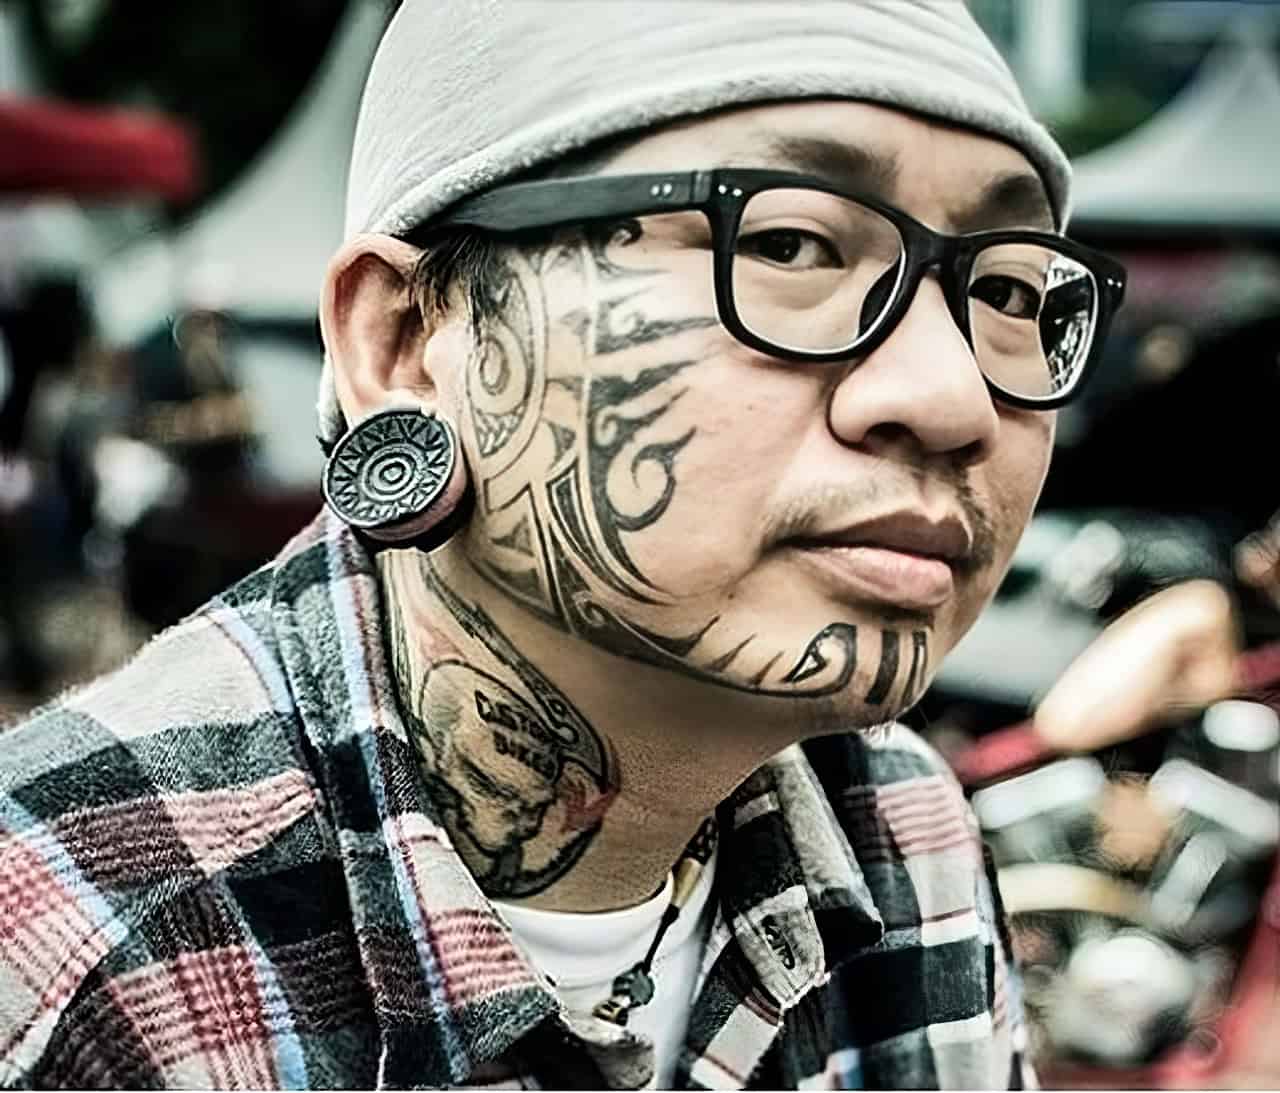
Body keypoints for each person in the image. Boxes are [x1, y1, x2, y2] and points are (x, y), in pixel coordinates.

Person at [0, 2, 1131, 1088]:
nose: (952, 398)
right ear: (405, 341)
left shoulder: (904, 834)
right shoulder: (65, 944)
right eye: (788, 243)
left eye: (1009, 291)